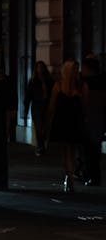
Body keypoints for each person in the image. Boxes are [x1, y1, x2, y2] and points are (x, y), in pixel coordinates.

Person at [46, 59, 87, 193]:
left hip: (65, 121)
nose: (76, 71)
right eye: (74, 69)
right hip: (72, 121)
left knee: (68, 151)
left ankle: (69, 176)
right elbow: (85, 106)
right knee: (70, 150)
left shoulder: (60, 85)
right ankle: (69, 177)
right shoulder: (80, 86)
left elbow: (52, 106)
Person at [80, 54, 106, 186]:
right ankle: (95, 176)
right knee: (95, 149)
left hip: (90, 118)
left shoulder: (87, 83)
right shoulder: (102, 81)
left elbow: (85, 102)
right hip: (100, 119)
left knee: (88, 150)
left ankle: (91, 176)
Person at [24, 60, 54, 156]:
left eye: (41, 67)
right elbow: (28, 96)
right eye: (38, 67)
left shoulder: (49, 80)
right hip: (37, 106)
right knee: (38, 127)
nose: (40, 69)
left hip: (47, 105)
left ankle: (42, 144)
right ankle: (40, 146)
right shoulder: (33, 81)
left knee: (45, 126)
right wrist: (26, 109)